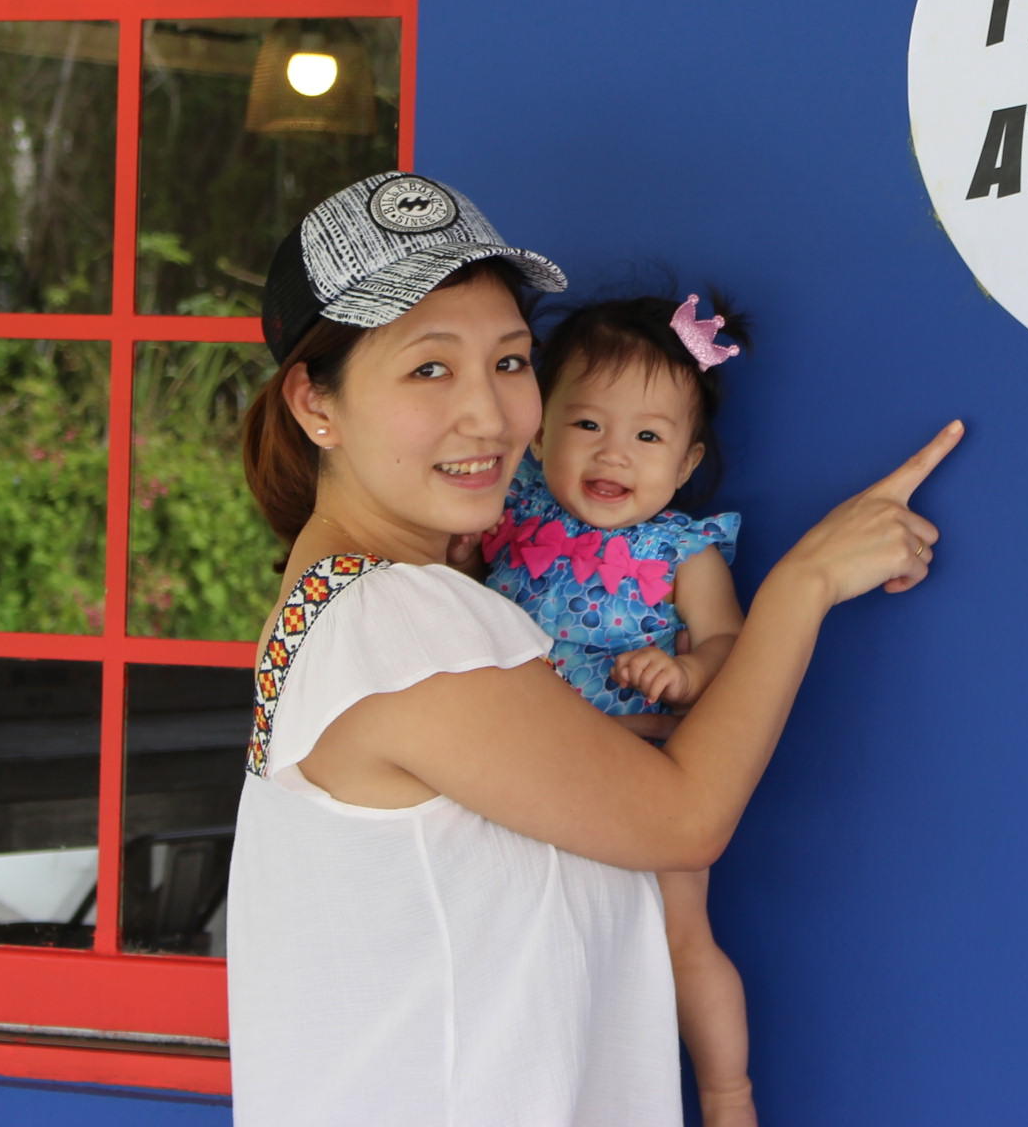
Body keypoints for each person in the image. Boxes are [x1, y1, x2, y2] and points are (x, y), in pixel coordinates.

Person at [224, 171, 958, 1127]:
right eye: (429, 369)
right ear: (316, 404)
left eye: (511, 361)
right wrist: (806, 580)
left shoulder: (353, 598)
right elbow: (683, 820)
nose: (491, 415)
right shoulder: (396, 620)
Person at [480, 292, 761, 1126]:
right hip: (526, 773)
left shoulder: (684, 552)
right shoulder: (509, 514)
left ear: (686, 461)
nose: (613, 452)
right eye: (587, 424)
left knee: (683, 939)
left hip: (642, 774)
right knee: (529, 943)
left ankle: (728, 1093)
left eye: (648, 437)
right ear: (538, 433)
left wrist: (684, 670)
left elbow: (731, 647)